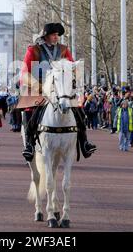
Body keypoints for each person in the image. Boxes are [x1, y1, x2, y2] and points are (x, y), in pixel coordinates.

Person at [19, 23, 97, 162]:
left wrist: (75, 80)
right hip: (41, 89)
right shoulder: (34, 50)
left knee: (78, 111)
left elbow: (73, 68)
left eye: (57, 35)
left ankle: (84, 142)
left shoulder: (63, 50)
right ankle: (30, 145)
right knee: (31, 111)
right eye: (54, 34)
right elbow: (25, 73)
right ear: (46, 36)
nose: (56, 37)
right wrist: (40, 86)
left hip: (62, 90)